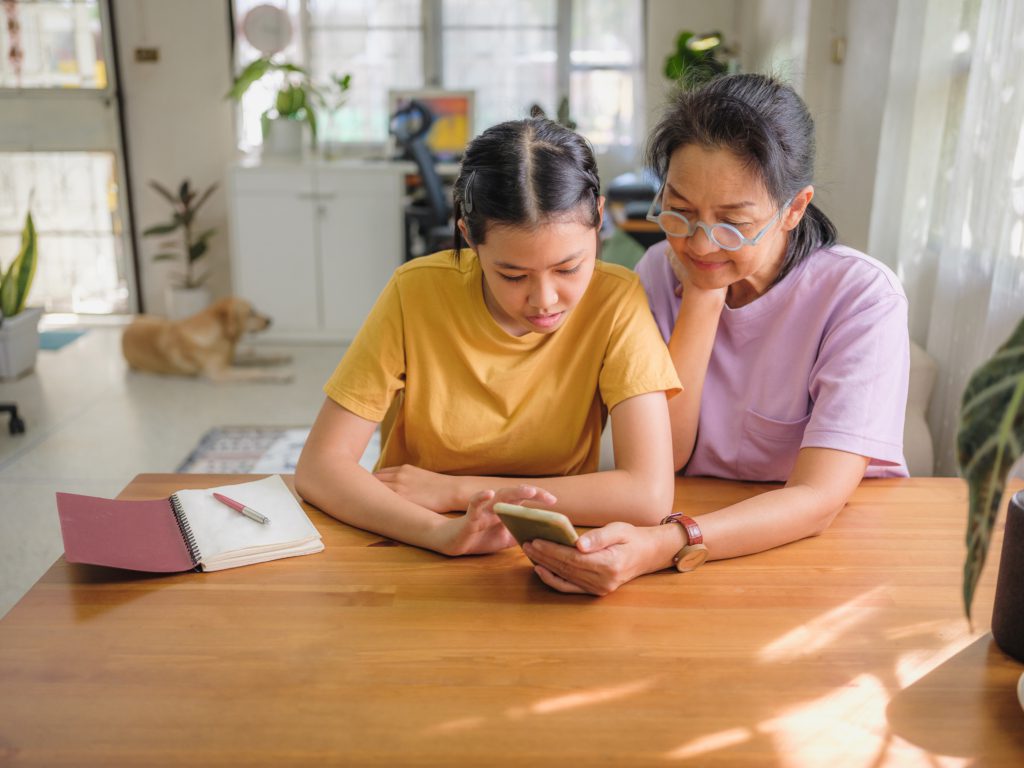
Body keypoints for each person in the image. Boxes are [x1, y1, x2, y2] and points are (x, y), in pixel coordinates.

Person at [525, 73, 910, 595]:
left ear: (794, 208)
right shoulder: (662, 270)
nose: (701, 244)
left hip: (826, 551)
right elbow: (673, 454)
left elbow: (818, 498)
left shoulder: (862, 296)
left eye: (731, 222)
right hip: (698, 530)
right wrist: (705, 296)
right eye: (680, 212)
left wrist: (667, 544)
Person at [295, 116, 681, 556]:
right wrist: (441, 533)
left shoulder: (616, 301)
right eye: (513, 274)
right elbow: (320, 467)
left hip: (553, 542)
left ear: (598, 221)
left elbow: (648, 495)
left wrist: (458, 492)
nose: (545, 299)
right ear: (469, 237)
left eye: (569, 268)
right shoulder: (416, 291)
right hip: (412, 535)